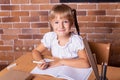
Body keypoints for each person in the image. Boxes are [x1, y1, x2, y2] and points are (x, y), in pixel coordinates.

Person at [32, 4, 90, 70]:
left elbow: (86, 63)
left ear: (71, 23)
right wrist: (40, 61)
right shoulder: (50, 37)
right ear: (51, 24)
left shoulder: (76, 41)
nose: (61, 26)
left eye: (65, 22)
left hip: (73, 71)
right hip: (56, 71)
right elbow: (36, 51)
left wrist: (61, 61)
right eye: (56, 22)